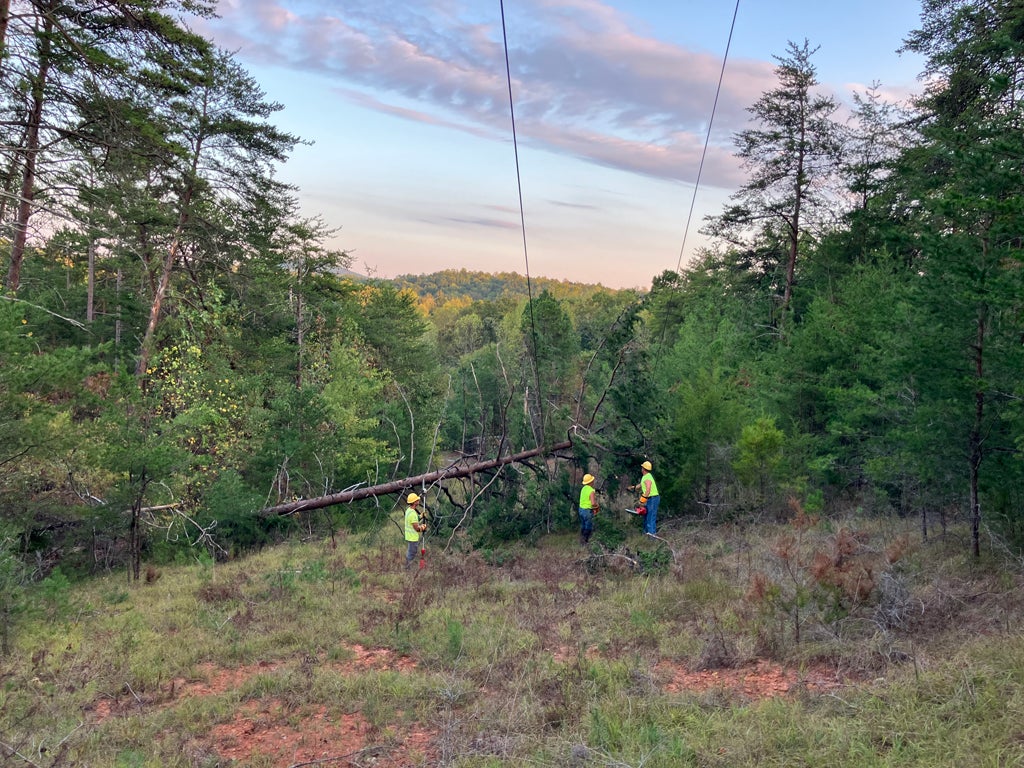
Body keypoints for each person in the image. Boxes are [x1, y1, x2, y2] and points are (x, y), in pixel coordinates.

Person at [630, 460, 660, 535]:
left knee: (650, 517)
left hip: (653, 498)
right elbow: (640, 485)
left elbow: (648, 490)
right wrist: (633, 488)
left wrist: (642, 500)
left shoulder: (647, 477)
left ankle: (652, 535)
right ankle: (646, 534)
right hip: (651, 499)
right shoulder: (645, 477)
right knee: (646, 516)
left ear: (643, 468)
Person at [403, 492, 427, 569]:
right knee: (412, 553)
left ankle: (407, 567)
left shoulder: (409, 510)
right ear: (414, 502)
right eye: (417, 500)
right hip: (412, 537)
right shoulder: (412, 514)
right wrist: (423, 527)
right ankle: (407, 568)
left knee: (410, 552)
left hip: (409, 537)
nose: (418, 501)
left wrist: (421, 516)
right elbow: (416, 528)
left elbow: (415, 519)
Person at [578, 473, 599, 545]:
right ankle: (585, 542)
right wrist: (597, 507)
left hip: (581, 510)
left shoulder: (583, 489)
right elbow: (593, 503)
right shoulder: (591, 490)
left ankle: (581, 540)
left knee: (583, 525)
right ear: (590, 482)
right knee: (588, 527)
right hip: (587, 511)